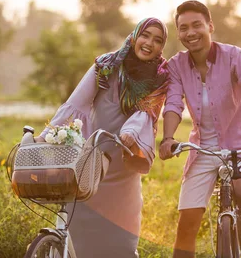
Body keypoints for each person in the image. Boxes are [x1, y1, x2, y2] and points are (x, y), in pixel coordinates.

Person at [159, 0, 241, 258]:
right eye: (184, 28)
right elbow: (173, 104)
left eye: (197, 25)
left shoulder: (235, 57)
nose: (191, 32)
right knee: (187, 223)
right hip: (202, 150)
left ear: (210, 26)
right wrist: (168, 138)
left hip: (239, 146)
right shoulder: (176, 66)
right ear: (179, 33)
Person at [35, 17, 169, 258]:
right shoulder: (106, 65)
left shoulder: (160, 77)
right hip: (90, 162)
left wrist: (130, 133)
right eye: (145, 35)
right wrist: (45, 136)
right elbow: (76, 103)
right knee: (75, 236)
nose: (149, 43)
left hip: (123, 168)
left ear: (162, 48)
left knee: (119, 243)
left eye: (158, 40)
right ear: (135, 36)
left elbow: (146, 112)